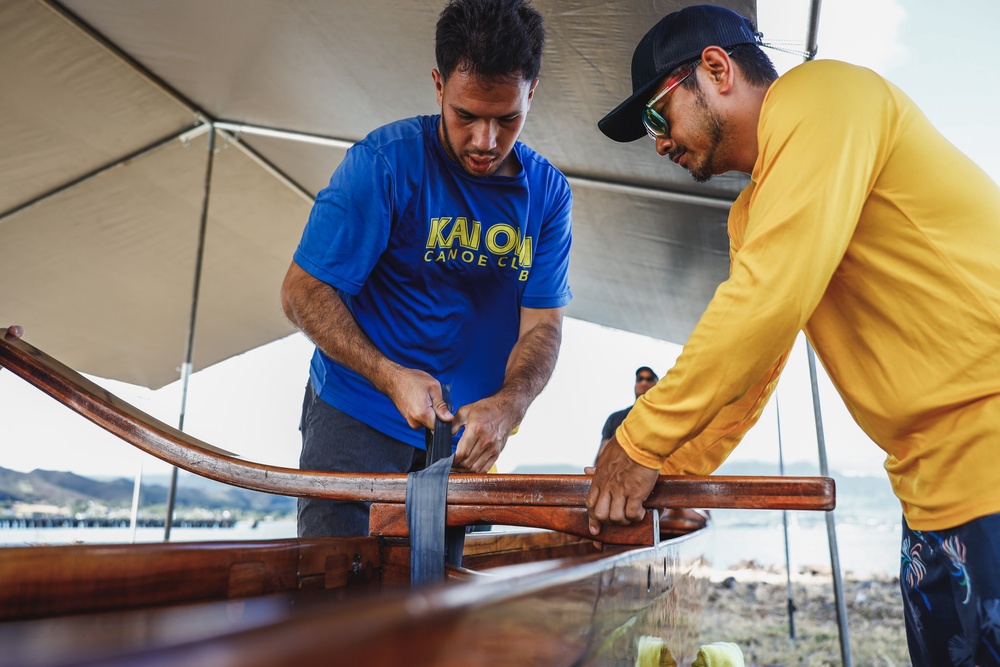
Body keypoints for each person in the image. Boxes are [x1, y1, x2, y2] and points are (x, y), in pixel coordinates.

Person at [587, 5, 1000, 666]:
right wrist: (665, 473)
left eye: (657, 116)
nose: (657, 143)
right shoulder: (758, 208)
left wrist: (638, 441)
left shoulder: (824, 98)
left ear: (717, 69)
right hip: (928, 494)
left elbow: (763, 304)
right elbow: (750, 370)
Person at [281, 0, 572, 538]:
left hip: (464, 441)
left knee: (447, 606)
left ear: (532, 93)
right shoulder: (383, 165)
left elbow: (543, 325)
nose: (485, 141)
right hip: (357, 415)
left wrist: (509, 405)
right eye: (466, 116)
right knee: (332, 592)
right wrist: (391, 376)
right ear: (439, 86)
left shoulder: (548, 195)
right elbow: (303, 291)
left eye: (506, 118)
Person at [597, 366, 658, 459]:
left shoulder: (664, 417)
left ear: (657, 384)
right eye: (640, 379)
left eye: (649, 379)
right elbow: (602, 453)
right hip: (619, 471)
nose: (644, 382)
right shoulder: (615, 418)